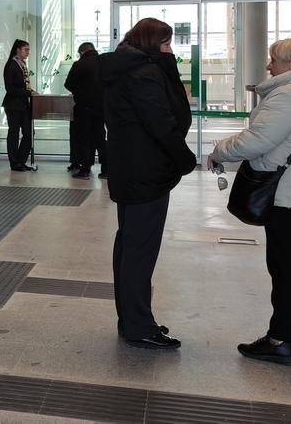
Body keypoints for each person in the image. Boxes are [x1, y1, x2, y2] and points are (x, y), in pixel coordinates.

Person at [206, 37, 291, 366]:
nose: (269, 65)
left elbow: (257, 140)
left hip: (286, 192)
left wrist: (219, 150)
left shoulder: (290, 95)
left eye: (274, 59)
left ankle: (278, 338)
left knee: (283, 264)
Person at [99, 18, 197, 349]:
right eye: (167, 43)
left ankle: (132, 319)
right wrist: (186, 159)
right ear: (152, 42)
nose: (171, 50)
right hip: (146, 172)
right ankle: (139, 325)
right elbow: (162, 123)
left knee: (129, 245)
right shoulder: (144, 72)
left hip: (131, 170)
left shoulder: (125, 68)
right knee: (139, 250)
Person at [65, 41, 105, 179]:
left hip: (84, 107)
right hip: (101, 107)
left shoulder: (79, 64)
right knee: (100, 137)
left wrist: (80, 92)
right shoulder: (103, 62)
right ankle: (106, 169)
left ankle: (85, 169)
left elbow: (68, 84)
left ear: (82, 52)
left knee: (85, 137)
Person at [2, 39, 35, 171]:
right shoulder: (11, 65)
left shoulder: (22, 64)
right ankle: (14, 162)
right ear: (18, 50)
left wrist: (31, 92)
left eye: (28, 50)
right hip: (13, 105)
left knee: (28, 133)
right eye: (26, 49)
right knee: (14, 133)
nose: (28, 52)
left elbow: (24, 85)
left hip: (23, 104)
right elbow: (10, 89)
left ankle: (21, 160)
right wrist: (28, 93)